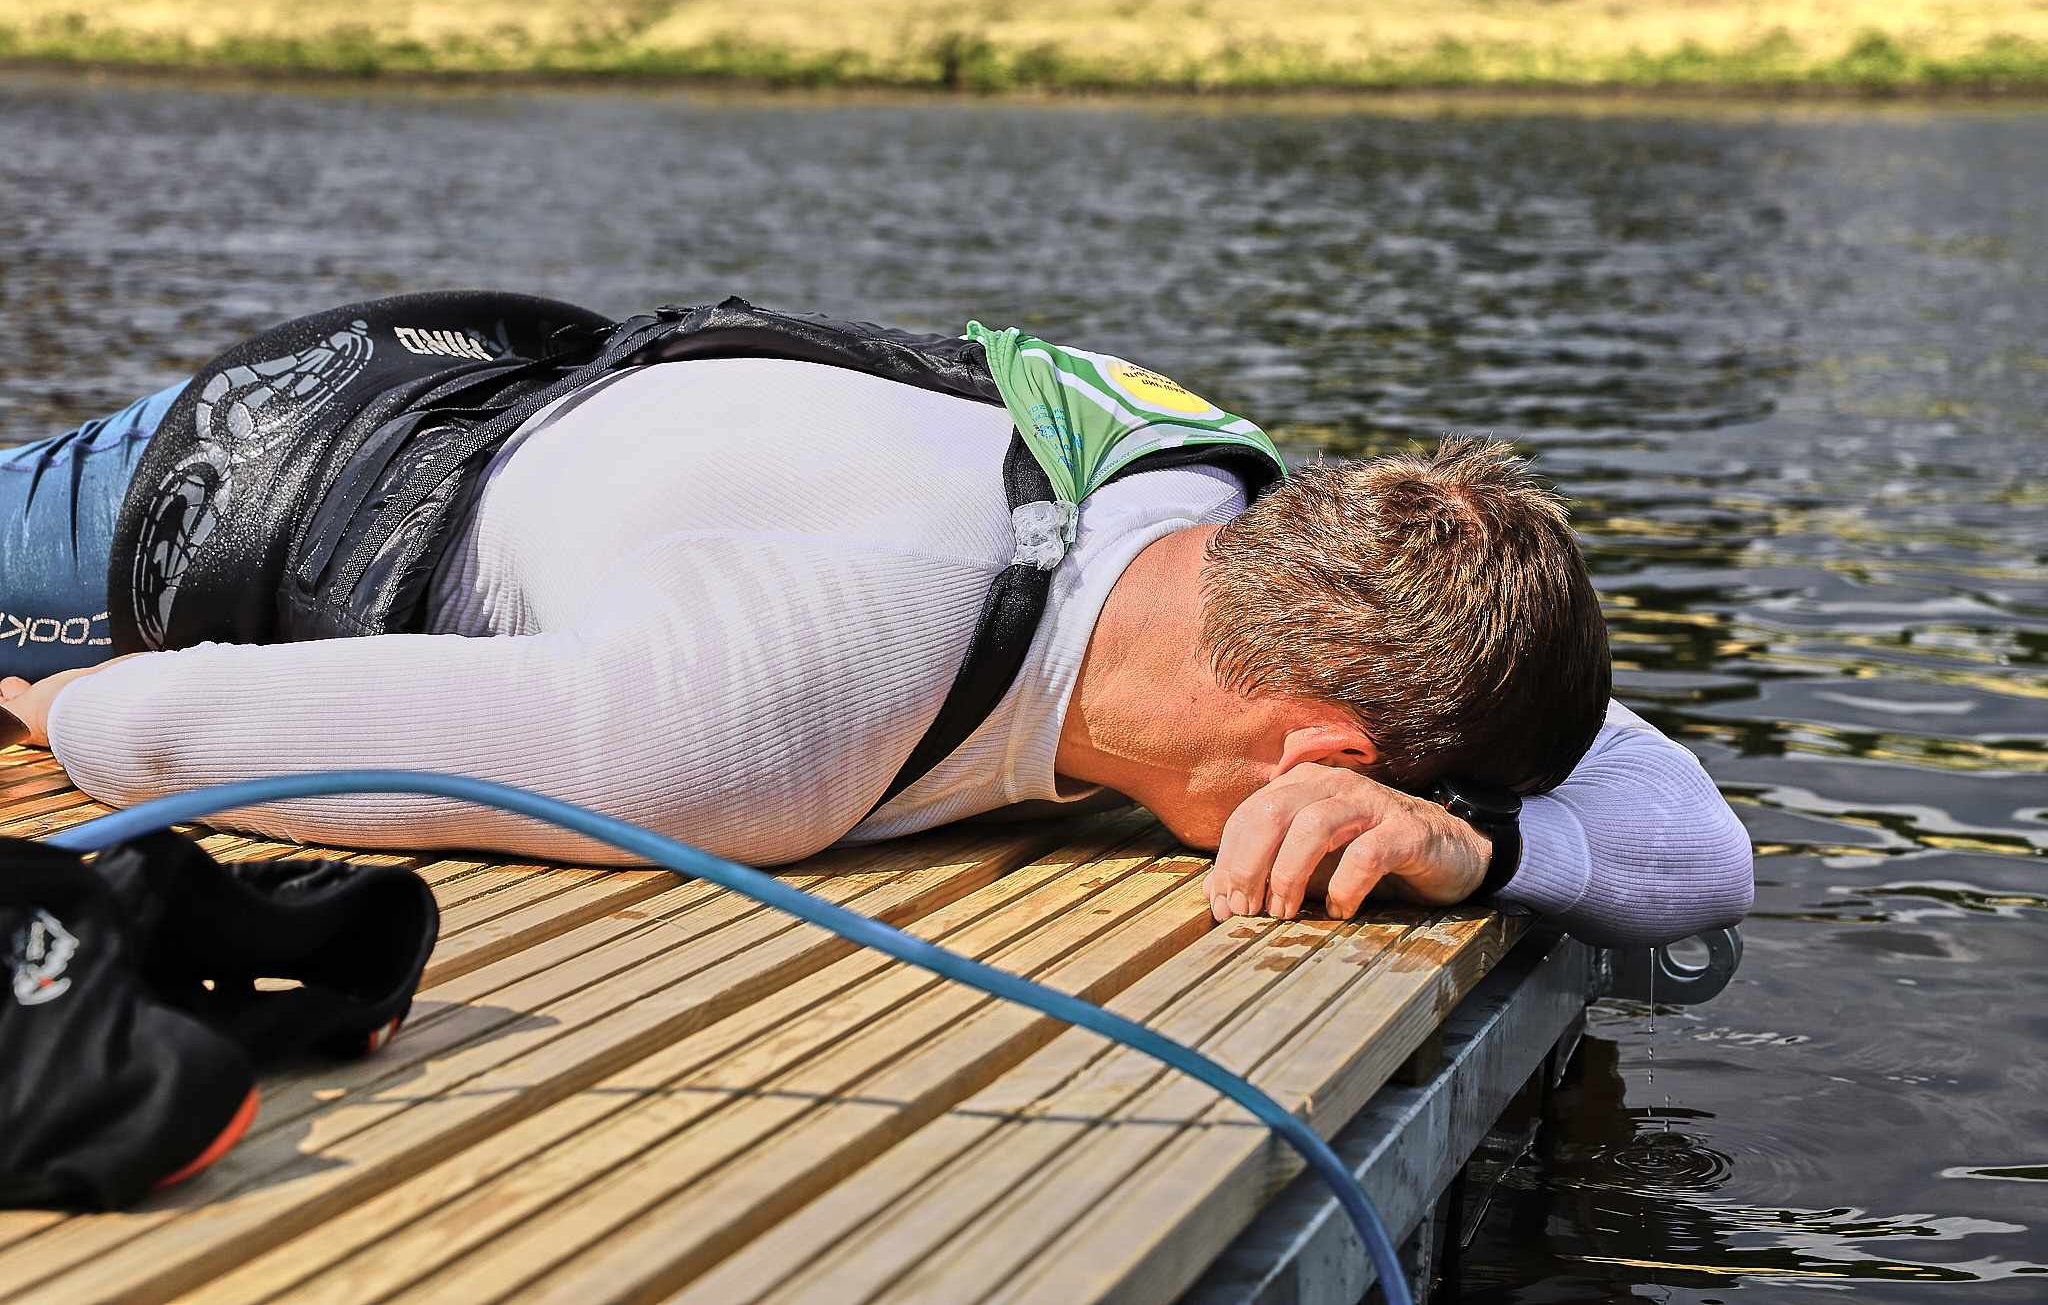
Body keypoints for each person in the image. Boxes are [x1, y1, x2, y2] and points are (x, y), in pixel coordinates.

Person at [0, 295, 1753, 947]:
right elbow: (172, 727)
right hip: (243, 482)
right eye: (1425, 795)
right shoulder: (767, 716)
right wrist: (53, 715)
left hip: (526, 373)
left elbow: (1701, 841)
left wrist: (1490, 856)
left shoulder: (1248, 537)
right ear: (1323, 744)